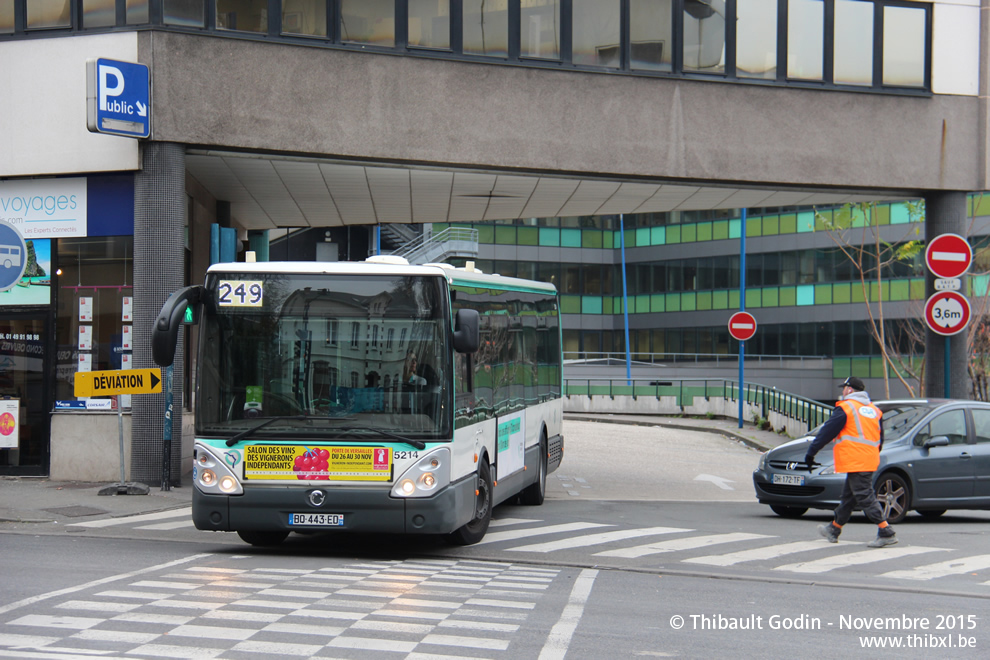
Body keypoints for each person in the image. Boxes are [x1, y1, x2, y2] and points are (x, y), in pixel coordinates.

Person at [805, 376, 897, 548]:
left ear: (850, 390)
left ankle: (886, 531)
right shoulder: (874, 410)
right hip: (869, 458)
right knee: (849, 496)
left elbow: (826, 432)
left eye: (844, 388)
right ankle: (834, 528)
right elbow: (880, 438)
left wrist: (811, 453)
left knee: (864, 495)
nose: (842, 391)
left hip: (855, 459)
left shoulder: (846, 408)